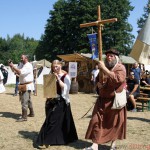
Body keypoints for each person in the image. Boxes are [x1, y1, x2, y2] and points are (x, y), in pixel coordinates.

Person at [83, 49, 126, 150]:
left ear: (116, 57)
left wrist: (104, 69)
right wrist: (98, 84)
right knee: (95, 121)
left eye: (111, 56)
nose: (109, 57)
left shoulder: (120, 68)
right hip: (102, 100)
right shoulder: (104, 67)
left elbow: (118, 79)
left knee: (115, 123)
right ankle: (95, 145)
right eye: (107, 56)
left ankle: (113, 145)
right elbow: (98, 79)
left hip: (114, 101)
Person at [36, 60, 78, 148]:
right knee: (51, 120)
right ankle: (54, 139)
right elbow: (48, 88)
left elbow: (66, 88)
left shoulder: (66, 76)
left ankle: (47, 140)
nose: (55, 68)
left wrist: (58, 78)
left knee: (54, 120)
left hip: (61, 101)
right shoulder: (51, 76)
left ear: (60, 65)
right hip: (52, 101)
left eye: (57, 66)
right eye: (53, 67)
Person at [8, 55, 35, 122]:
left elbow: (20, 72)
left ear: (26, 58)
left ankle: (24, 117)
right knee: (28, 100)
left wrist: (13, 67)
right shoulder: (21, 65)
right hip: (24, 85)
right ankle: (31, 113)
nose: (21, 59)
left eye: (22, 58)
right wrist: (11, 66)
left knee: (24, 101)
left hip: (27, 85)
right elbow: (15, 71)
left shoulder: (28, 65)